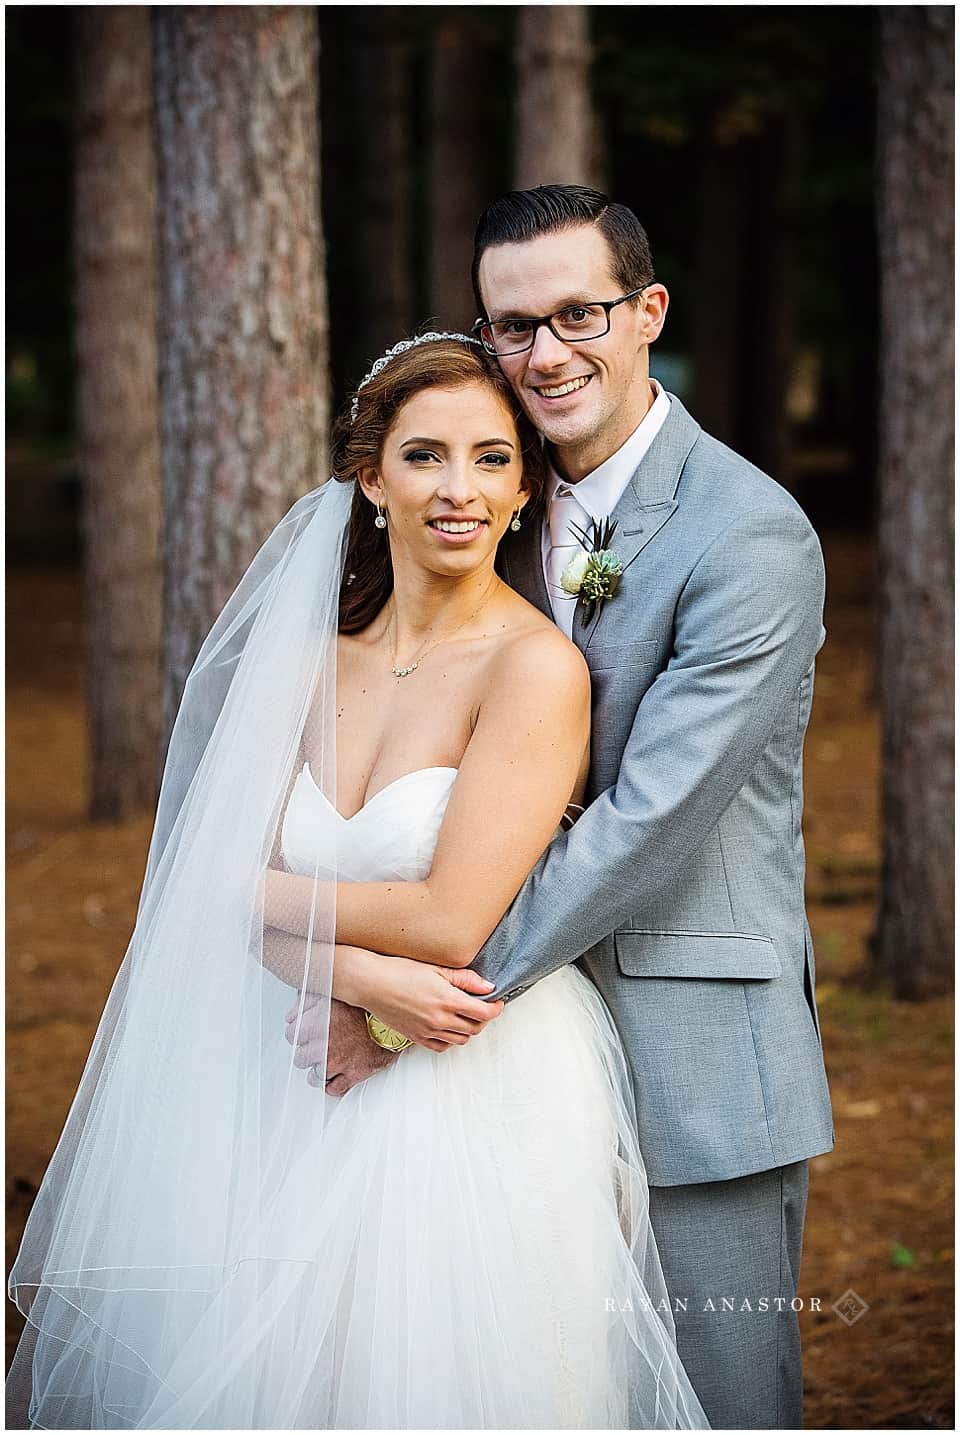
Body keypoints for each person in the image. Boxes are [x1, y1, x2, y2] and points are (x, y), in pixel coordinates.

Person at [7, 333, 707, 1429]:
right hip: (283, 1069)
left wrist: (242, 890)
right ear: (372, 478)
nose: (458, 489)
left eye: (490, 459)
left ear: (526, 489)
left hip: (469, 1082)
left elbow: (445, 919)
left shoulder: (536, 669)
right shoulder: (303, 660)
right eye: (426, 456)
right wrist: (342, 969)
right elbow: (248, 910)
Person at [299, 187, 835, 1430]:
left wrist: (391, 994)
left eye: (577, 313)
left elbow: (647, 820)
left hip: (682, 1051)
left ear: (647, 312)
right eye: (511, 324)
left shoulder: (750, 536)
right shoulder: (490, 495)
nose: (545, 354)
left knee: (717, 1400)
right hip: (500, 1079)